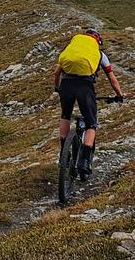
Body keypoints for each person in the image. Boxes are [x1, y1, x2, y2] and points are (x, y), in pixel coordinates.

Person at [53, 30, 124, 176]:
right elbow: (112, 78)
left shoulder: (72, 49)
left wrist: (57, 88)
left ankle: (63, 154)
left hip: (66, 85)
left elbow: (56, 73)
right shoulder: (99, 54)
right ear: (97, 42)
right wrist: (119, 95)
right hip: (85, 87)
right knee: (91, 123)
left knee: (65, 115)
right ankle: (85, 161)